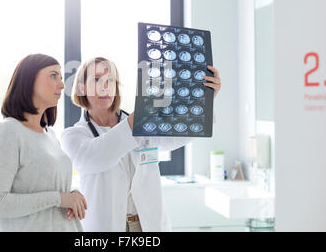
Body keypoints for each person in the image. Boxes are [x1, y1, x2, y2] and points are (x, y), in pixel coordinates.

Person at [61, 57, 221, 232]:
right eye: (97, 79)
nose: (105, 86)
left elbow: (180, 133)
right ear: (82, 87)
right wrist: (140, 117)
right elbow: (100, 154)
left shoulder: (141, 126)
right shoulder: (74, 136)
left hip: (147, 226)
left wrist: (205, 99)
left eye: (111, 80)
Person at [0, 54, 86, 232]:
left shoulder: (50, 135)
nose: (62, 85)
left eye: (61, 78)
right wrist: (60, 198)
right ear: (28, 80)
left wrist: (71, 195)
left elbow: (48, 187)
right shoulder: (8, 132)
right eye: (53, 76)